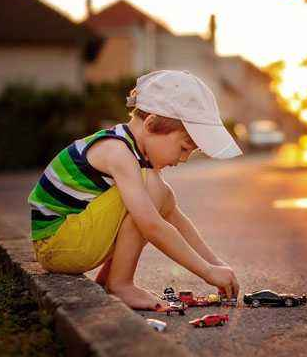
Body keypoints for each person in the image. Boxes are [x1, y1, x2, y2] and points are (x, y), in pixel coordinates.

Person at [28, 70, 242, 310]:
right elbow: (151, 225)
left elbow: (174, 217)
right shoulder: (117, 152)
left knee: (161, 194)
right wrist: (207, 272)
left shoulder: (131, 152)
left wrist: (216, 264)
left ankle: (113, 280)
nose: (182, 159)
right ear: (150, 124)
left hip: (70, 242)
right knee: (152, 190)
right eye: (183, 148)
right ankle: (120, 284)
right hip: (58, 246)